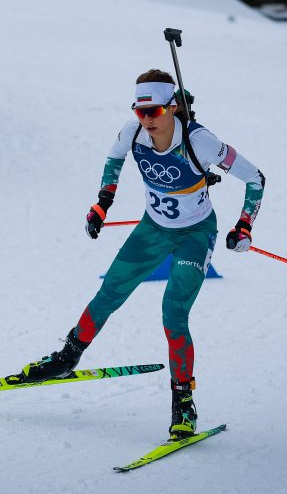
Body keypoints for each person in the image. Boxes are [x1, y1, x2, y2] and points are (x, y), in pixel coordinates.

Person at [15, 69, 265, 440]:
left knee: (173, 313)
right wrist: (103, 204)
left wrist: (244, 225)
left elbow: (256, 177)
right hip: (151, 230)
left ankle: (183, 403)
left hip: (194, 236)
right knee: (108, 295)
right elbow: (113, 159)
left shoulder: (201, 142)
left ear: (173, 108)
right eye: (141, 111)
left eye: (156, 112)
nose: (148, 120)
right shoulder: (132, 132)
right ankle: (67, 358)